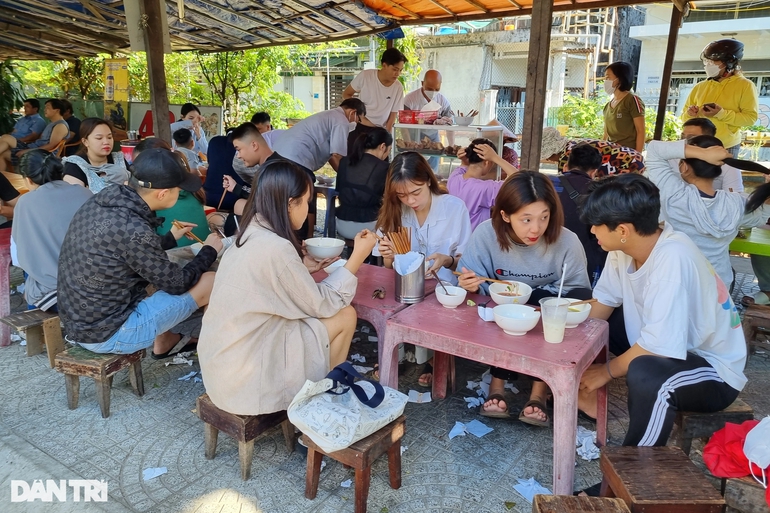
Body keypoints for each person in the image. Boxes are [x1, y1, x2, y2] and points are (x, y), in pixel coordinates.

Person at [577, 173, 746, 451]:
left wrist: (606, 371)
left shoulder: (672, 258)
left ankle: (635, 473)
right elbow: (602, 305)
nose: (592, 231)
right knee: (581, 313)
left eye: (596, 225)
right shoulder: (623, 250)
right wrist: (561, 334)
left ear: (622, 230)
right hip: (666, 346)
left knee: (647, 375)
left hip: (711, 370)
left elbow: (658, 347)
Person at [198, 159, 378, 416]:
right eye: (306, 201)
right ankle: (324, 398)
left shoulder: (250, 231)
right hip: (248, 381)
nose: (307, 209)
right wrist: (357, 258)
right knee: (345, 314)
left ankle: (325, 387)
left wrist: (302, 268)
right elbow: (322, 304)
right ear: (289, 203)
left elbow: (267, 286)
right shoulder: (277, 247)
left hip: (222, 365)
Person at [57, 148, 223, 357]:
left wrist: (171, 237)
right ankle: (215, 356)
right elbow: (177, 283)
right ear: (163, 194)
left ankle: (166, 342)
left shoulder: (104, 200)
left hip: (79, 323)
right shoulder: (132, 227)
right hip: (108, 334)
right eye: (179, 189)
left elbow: (131, 251)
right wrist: (208, 251)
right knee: (210, 280)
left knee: (158, 276)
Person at [456, 171, 591, 425]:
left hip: (547, 314)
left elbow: (578, 293)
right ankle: (497, 384)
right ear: (505, 215)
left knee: (546, 308)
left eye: (544, 217)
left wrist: (545, 300)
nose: (536, 228)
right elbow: (473, 286)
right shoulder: (486, 235)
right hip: (501, 313)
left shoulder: (567, 241)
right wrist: (470, 286)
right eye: (526, 219)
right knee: (508, 308)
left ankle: (539, 391)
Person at [375, 152, 472, 385]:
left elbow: (465, 261)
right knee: (387, 306)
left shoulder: (454, 208)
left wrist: (446, 259)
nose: (410, 201)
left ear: (428, 180)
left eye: (416, 192)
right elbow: (389, 265)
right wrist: (389, 256)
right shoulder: (395, 210)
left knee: (436, 309)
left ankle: (432, 359)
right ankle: (393, 352)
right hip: (405, 285)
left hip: (442, 286)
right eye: (402, 195)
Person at [645, 137, 770, 289]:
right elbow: (760, 218)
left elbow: (654, 149)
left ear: (684, 167)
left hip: (678, 280)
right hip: (718, 283)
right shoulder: (736, 203)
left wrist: (703, 153)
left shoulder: (675, 195)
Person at [11, 150, 92, 312]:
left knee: (32, 271)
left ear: (28, 179)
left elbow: (19, 258)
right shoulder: (85, 192)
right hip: (99, 286)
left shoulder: (26, 203)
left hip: (60, 297)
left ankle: (37, 327)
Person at [682, 39, 758, 158]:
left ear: (729, 62)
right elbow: (684, 117)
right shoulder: (699, 87)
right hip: (697, 144)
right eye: (707, 61)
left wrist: (721, 113)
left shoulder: (745, 85)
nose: (708, 65)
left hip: (727, 145)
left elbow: (750, 118)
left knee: (726, 176)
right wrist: (690, 114)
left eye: (713, 62)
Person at [550, 143, 607, 285]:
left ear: (566, 167)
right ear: (594, 172)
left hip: (544, 257)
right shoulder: (599, 192)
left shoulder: (547, 184)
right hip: (583, 263)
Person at [271, 99, 365, 174]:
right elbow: (336, 156)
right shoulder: (341, 121)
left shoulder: (330, 115)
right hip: (294, 160)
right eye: (359, 119)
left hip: (275, 156)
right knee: (302, 192)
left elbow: (332, 156)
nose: (356, 123)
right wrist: (349, 177)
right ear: (353, 113)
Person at [447, 138, 518, 231]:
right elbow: (519, 180)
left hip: (455, 238)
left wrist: (464, 161)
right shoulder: (484, 189)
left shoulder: (454, 178)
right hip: (475, 240)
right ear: (487, 162)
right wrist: (496, 158)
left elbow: (463, 167)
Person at [335, 127, 392, 239]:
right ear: (382, 147)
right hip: (368, 226)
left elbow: (339, 190)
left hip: (341, 224)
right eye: (389, 151)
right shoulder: (384, 168)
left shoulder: (344, 161)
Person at [344, 48, 406, 144]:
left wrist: (387, 139)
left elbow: (392, 116)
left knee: (379, 159)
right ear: (384, 65)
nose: (397, 74)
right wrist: (358, 115)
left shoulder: (398, 87)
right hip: (359, 127)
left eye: (400, 70)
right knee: (355, 157)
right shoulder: (366, 76)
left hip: (380, 131)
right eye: (395, 69)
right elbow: (346, 94)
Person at [542, 127, 646, 177]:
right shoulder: (574, 143)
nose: (547, 159)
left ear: (553, 152)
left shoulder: (567, 157)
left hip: (629, 165)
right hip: (636, 158)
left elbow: (569, 183)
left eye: (548, 156)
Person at [0, 99, 70, 172]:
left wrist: (27, 151)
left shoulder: (60, 125)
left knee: (4, 149)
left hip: (40, 155)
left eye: (48, 108)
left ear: (57, 110)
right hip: (33, 148)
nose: (44, 110)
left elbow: (51, 146)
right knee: (5, 139)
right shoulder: (52, 123)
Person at [676, 118, 743, 193]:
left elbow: (733, 198)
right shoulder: (672, 157)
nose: (683, 142)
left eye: (691, 138)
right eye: (682, 137)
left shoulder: (727, 165)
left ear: (708, 139)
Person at [62, 118, 128, 193]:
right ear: (85, 141)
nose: (106, 142)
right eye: (99, 138)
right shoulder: (75, 165)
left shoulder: (119, 159)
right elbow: (76, 197)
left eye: (109, 137)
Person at [603, 62, 646, 152]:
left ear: (620, 79)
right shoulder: (608, 105)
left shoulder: (632, 100)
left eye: (608, 77)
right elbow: (606, 133)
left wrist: (637, 156)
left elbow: (640, 131)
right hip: (611, 152)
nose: (605, 81)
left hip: (628, 153)